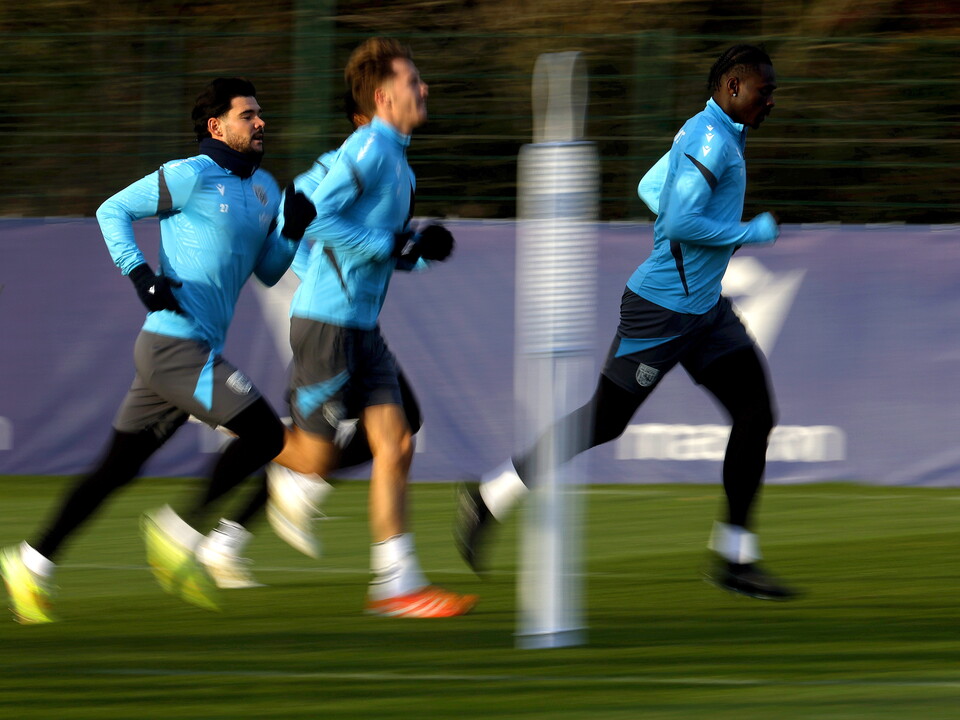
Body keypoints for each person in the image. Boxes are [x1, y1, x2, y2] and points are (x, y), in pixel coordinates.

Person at [455, 44, 797, 601]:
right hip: (662, 310)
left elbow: (648, 188)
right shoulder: (712, 140)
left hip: (704, 310)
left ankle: (735, 558)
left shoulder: (709, 132)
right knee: (603, 422)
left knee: (755, 413)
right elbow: (682, 220)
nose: (772, 100)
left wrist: (702, 241)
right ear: (733, 88)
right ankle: (490, 495)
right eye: (766, 90)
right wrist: (745, 233)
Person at [0, 77, 317, 623]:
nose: (261, 122)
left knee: (114, 471)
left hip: (179, 353)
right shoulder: (188, 175)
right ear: (217, 126)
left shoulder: (264, 187)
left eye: (261, 114)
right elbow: (111, 211)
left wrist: (290, 231)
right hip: (176, 346)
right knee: (267, 434)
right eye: (249, 115)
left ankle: (30, 562)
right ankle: (180, 532)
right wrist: (141, 276)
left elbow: (267, 272)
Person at [265, 37, 477, 618]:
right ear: (384, 97)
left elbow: (377, 249)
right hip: (328, 325)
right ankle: (230, 420)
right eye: (414, 81)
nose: (424, 88)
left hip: (362, 327)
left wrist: (419, 252)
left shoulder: (398, 160)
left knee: (399, 442)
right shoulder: (368, 149)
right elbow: (316, 218)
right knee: (312, 458)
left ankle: (395, 585)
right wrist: (395, 243)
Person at [182, 93, 426, 591]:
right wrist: (321, 274)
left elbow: (383, 245)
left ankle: (230, 535)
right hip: (319, 307)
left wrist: (415, 252)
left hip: (352, 316)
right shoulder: (344, 162)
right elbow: (296, 219)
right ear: (366, 116)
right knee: (329, 444)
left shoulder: (389, 167)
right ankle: (244, 435)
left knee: (374, 433)